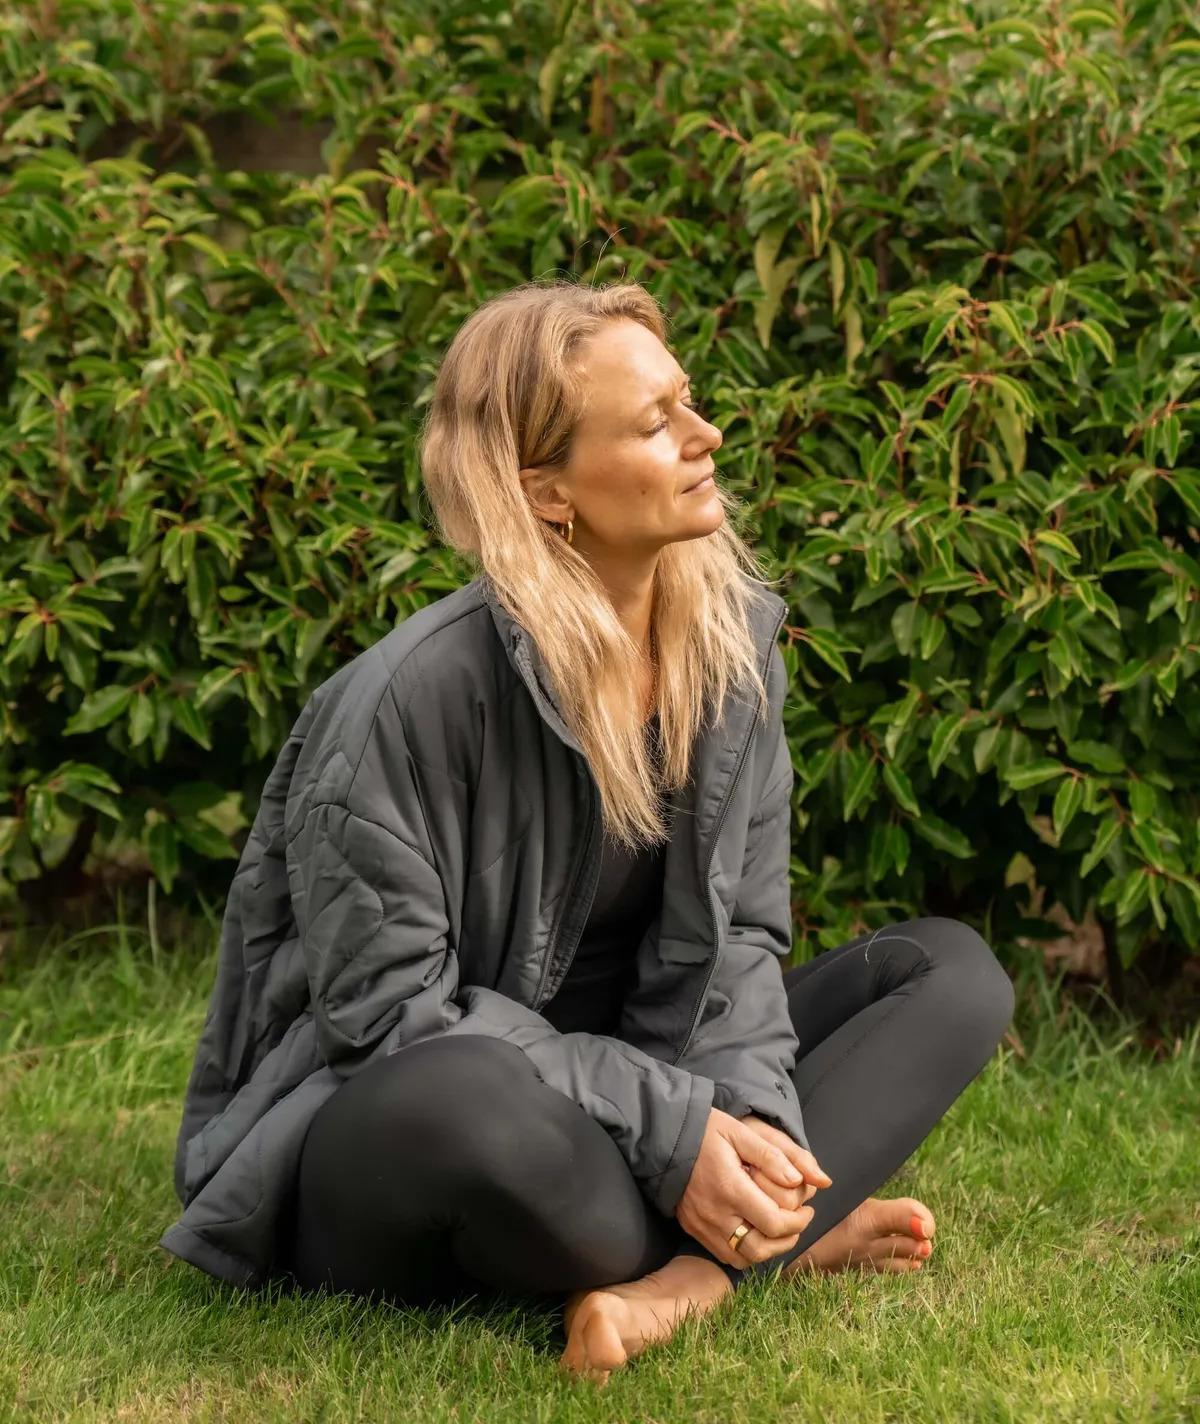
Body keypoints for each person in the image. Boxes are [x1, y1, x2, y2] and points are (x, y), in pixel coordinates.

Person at [161, 278, 1014, 1384]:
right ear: (546, 491)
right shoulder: (404, 702)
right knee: (483, 1111)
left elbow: (743, 946)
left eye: (688, 402)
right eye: (658, 424)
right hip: (420, 1125)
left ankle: (690, 1282)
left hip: (628, 1102)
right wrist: (676, 1135)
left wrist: (739, 1129)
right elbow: (391, 1024)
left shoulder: (731, 656)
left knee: (953, 975)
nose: (707, 436)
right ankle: (775, 1232)